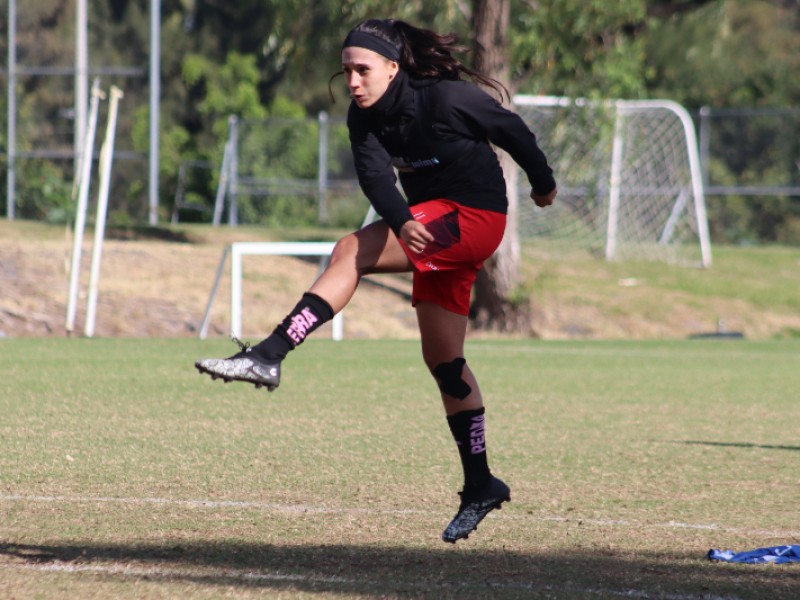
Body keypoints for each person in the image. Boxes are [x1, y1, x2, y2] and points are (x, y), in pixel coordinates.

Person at [195, 18, 557, 543]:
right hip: (431, 225)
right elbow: (374, 177)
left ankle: (268, 355)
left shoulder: (447, 99)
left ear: (393, 67)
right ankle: (481, 483)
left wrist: (542, 185)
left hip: (475, 219)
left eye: (363, 69)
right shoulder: (362, 118)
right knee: (446, 365)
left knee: (350, 250)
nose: (353, 81)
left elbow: (512, 131)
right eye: (346, 72)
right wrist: (404, 220)